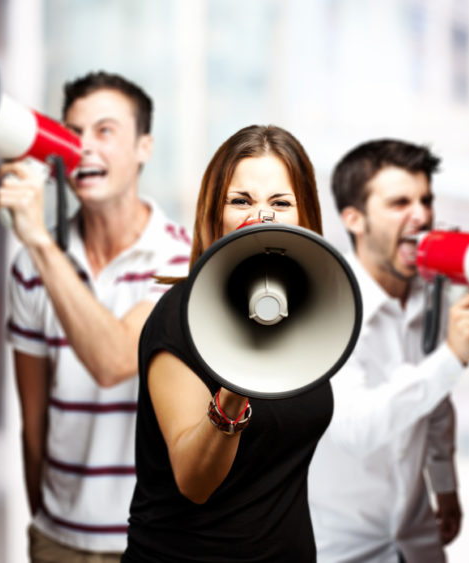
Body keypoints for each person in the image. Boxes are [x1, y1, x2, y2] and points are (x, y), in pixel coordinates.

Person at [0, 71, 191, 562]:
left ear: (144, 147)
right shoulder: (29, 269)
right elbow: (33, 420)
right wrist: (47, 520)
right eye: (72, 132)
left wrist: (41, 243)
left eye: (105, 131)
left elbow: (114, 362)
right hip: (58, 538)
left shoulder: (181, 259)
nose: (84, 148)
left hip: (152, 540)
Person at [121, 125, 329, 562]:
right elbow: (195, 482)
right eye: (241, 201)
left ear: (305, 217)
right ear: (213, 216)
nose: (262, 216)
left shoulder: (306, 320)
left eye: (280, 202)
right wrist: (234, 388)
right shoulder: (178, 318)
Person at [308, 139, 469, 562]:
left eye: (425, 200)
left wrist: (444, 485)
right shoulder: (325, 309)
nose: (423, 216)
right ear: (354, 219)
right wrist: (451, 357)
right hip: (343, 550)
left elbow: (435, 406)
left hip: (417, 542)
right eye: (400, 203)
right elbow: (356, 430)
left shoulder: (429, 298)